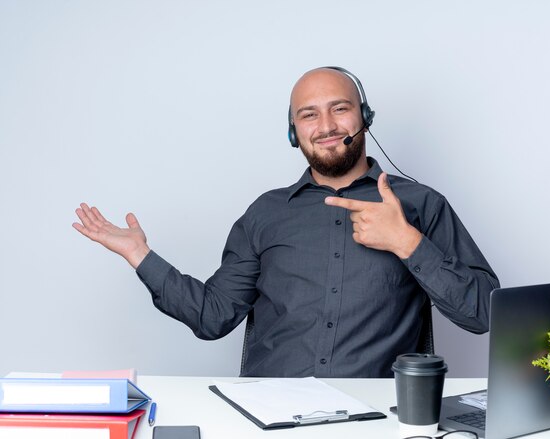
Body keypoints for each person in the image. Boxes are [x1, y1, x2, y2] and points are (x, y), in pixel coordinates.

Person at [73, 66, 499, 378]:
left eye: (340, 109)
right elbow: (212, 318)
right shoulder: (266, 213)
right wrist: (139, 255)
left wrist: (407, 242)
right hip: (269, 416)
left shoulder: (421, 204)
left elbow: (484, 313)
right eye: (309, 115)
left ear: (364, 118)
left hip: (380, 418)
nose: (327, 126)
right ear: (295, 132)